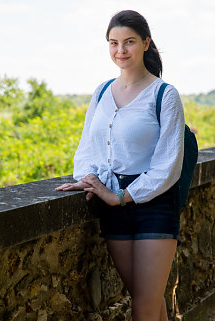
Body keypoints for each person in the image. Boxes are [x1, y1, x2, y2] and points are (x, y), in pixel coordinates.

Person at [55, 10, 184, 321]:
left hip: (154, 204)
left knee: (143, 307)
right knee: (148, 301)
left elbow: (169, 163)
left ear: (145, 44)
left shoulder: (164, 95)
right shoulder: (101, 92)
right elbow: (88, 147)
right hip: (112, 207)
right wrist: (89, 179)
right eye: (113, 43)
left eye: (129, 42)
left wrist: (122, 196)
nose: (120, 51)